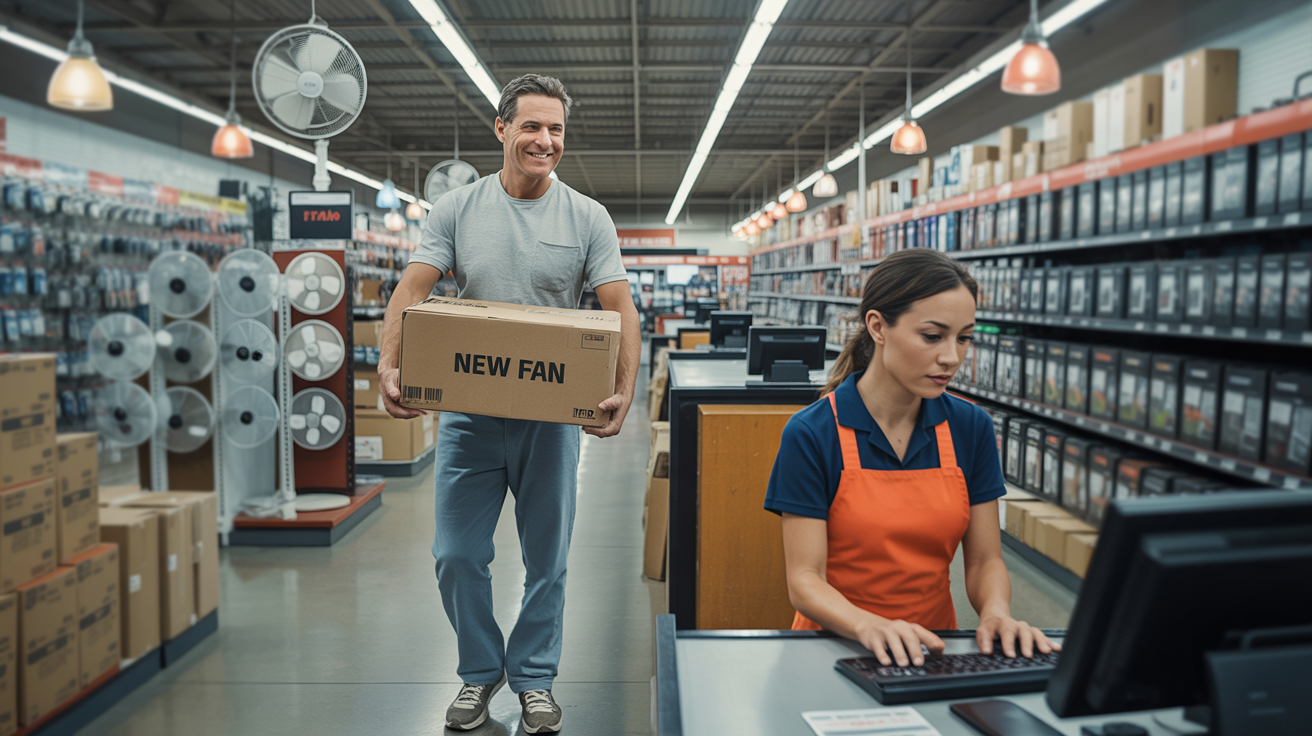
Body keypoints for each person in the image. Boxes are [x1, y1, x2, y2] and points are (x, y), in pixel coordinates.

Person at [377, 74, 640, 733]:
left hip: (553, 421)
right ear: (501, 130)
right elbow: (411, 291)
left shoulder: (587, 217)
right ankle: (479, 670)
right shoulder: (457, 210)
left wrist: (625, 389)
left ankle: (533, 679)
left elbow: (620, 310)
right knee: (456, 553)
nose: (544, 140)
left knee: (546, 560)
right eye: (531, 126)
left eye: (555, 129)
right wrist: (389, 363)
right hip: (470, 415)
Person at [764, 249, 1059, 668]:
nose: (952, 358)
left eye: (964, 337)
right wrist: (867, 625)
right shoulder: (813, 433)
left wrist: (996, 613)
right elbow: (805, 580)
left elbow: (984, 560)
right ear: (878, 326)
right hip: (834, 648)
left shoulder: (969, 428)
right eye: (932, 336)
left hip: (934, 651)